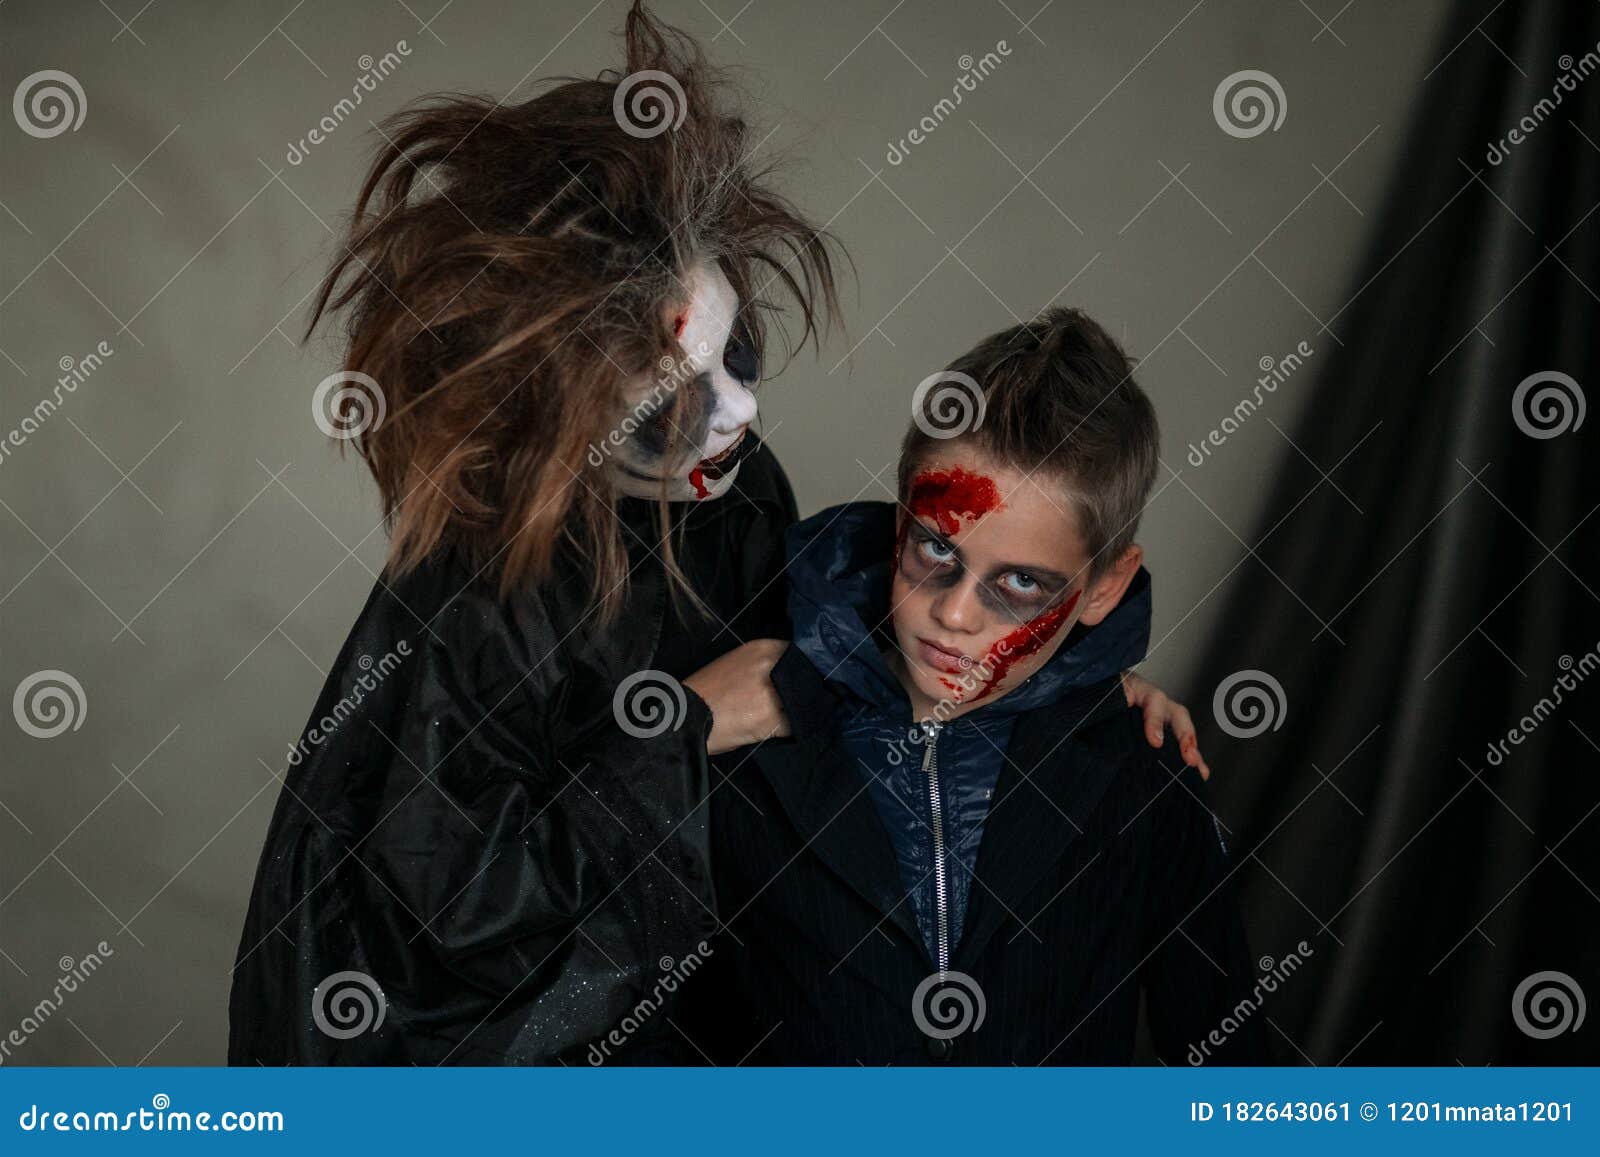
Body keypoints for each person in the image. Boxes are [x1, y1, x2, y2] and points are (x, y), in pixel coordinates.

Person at [228, 3, 1207, 1065]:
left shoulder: (737, 486)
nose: (733, 414)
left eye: (738, 355)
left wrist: (1070, 682)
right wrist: (678, 728)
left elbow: (848, 634)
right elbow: (449, 915)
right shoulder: (481, 585)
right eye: (667, 408)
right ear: (570, 413)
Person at [691, 307, 1267, 1065]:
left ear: (1104, 587)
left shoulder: (1143, 772)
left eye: (1022, 582)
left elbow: (1240, 1071)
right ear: (899, 515)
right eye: (934, 547)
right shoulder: (752, 730)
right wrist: (670, 738)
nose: (953, 614)